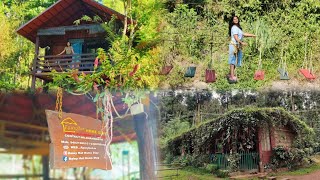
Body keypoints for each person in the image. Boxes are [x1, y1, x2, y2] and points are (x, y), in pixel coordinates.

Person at [228, 16, 256, 81]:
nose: (236, 20)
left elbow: (244, 34)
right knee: (232, 60)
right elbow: (235, 37)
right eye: (234, 19)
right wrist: (241, 42)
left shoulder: (238, 28)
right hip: (234, 45)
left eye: (237, 19)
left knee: (235, 60)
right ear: (232, 21)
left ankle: (231, 74)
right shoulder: (234, 27)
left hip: (237, 45)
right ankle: (232, 76)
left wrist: (253, 35)